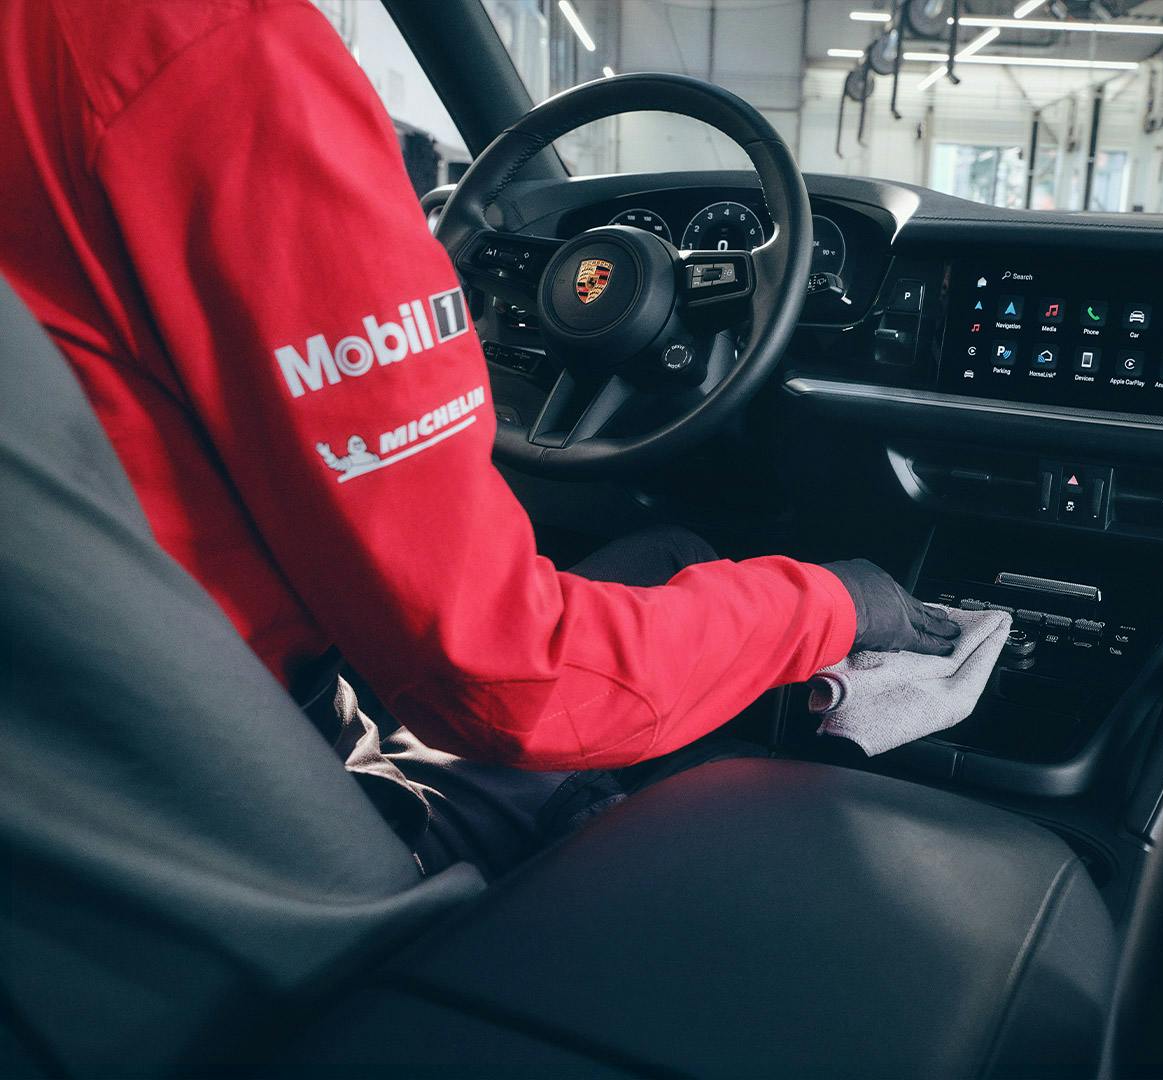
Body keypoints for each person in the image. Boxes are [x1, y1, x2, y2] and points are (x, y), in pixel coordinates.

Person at [0, 0, 957, 878]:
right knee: (644, 704)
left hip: (75, 760)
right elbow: (510, 682)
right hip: (242, 812)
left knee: (670, 554)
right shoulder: (212, 47)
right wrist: (836, 604)